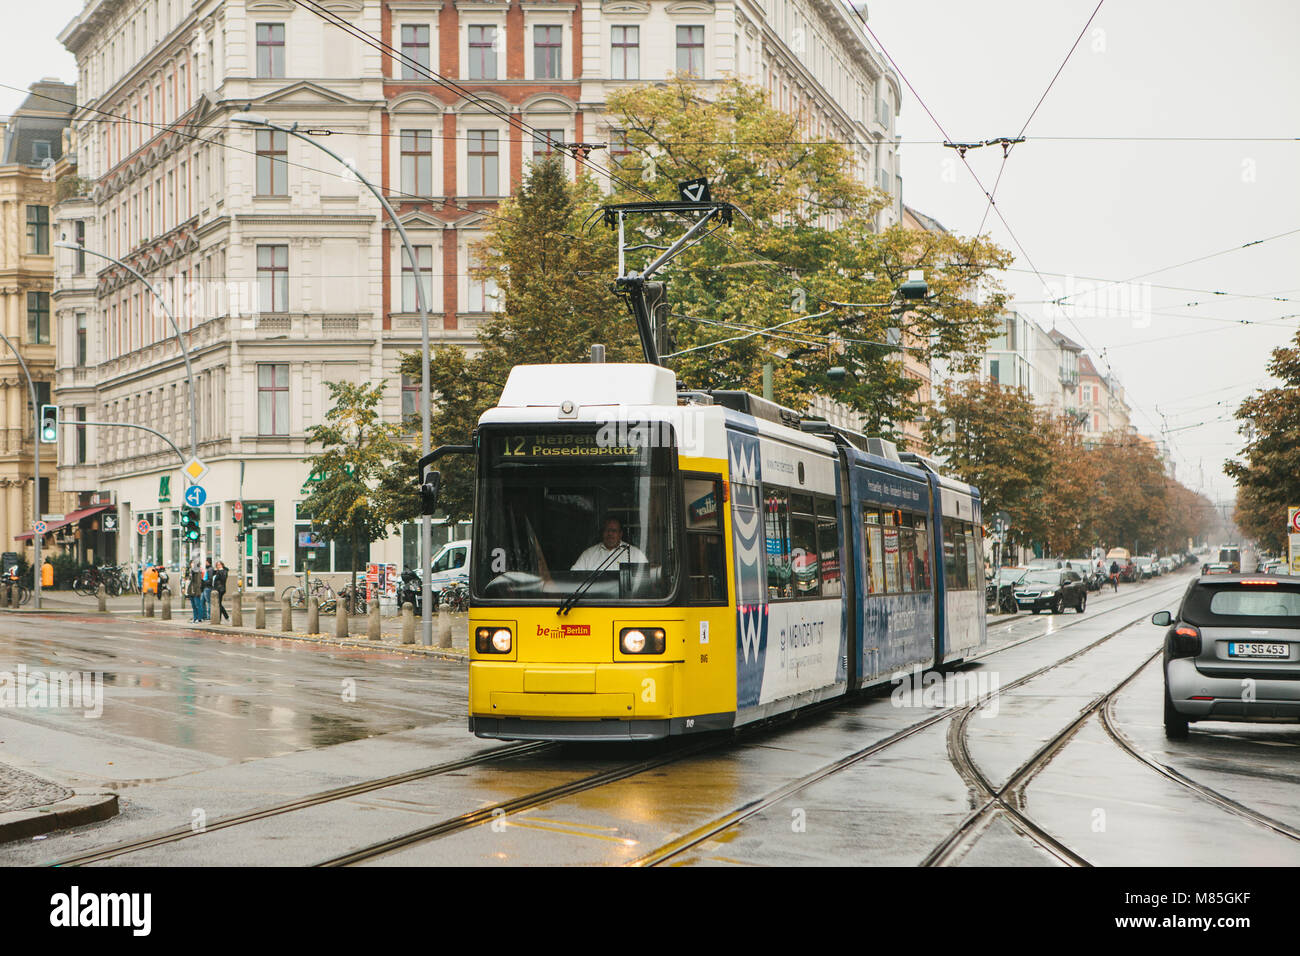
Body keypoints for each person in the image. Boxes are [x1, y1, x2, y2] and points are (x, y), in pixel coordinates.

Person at [571, 515, 648, 571]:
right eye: (607, 530)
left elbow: (644, 580)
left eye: (614, 531)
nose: (610, 534)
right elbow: (574, 577)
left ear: (620, 534)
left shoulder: (635, 554)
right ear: (602, 533)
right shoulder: (588, 554)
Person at [187, 558, 204, 622]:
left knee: (197, 604)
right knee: (193, 605)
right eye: (191, 563)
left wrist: (197, 591)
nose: (192, 564)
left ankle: (199, 618)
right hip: (191, 590)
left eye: (193, 563)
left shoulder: (197, 572)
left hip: (195, 590)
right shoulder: (191, 571)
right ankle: (195, 617)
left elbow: (198, 582)